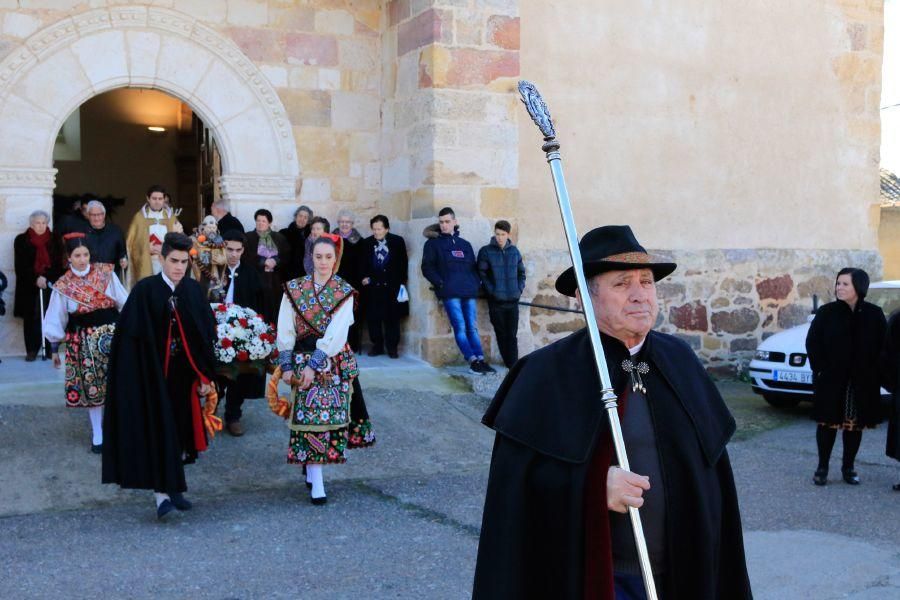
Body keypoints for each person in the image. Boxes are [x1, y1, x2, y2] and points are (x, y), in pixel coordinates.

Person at [473, 225, 751, 599]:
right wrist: (591, 486)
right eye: (622, 284)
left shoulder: (679, 361)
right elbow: (516, 494)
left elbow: (712, 477)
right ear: (583, 297)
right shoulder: (544, 374)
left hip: (686, 574)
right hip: (599, 581)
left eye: (647, 282)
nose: (640, 295)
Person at [102, 232, 218, 520]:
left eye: (184, 261)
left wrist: (205, 376)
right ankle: (161, 496)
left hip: (183, 375)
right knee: (158, 430)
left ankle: (174, 488)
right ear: (162, 258)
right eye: (173, 261)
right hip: (152, 376)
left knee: (179, 431)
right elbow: (130, 338)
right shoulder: (145, 291)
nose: (179, 267)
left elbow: (205, 334)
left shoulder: (191, 290)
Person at [275, 234, 375, 505]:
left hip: (330, 361)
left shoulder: (343, 290)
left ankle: (316, 476)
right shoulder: (294, 289)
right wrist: (286, 364)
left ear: (336, 258)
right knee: (306, 420)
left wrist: (313, 366)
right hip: (299, 358)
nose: (323, 262)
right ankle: (313, 473)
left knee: (323, 419)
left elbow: (337, 332)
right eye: (318, 256)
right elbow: (285, 326)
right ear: (310, 257)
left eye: (328, 257)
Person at [43, 234, 128, 453]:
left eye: (85, 254)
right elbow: (56, 316)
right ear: (68, 258)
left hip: (112, 335)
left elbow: (123, 301)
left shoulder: (106, 274)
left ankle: (117, 429)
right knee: (93, 389)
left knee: (117, 384)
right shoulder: (63, 285)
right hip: (83, 340)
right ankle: (98, 434)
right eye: (77, 255)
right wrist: (54, 349)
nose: (82, 259)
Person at [806, 268, 886, 486]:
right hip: (831, 379)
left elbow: (883, 347)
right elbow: (813, 342)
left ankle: (848, 467)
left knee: (854, 425)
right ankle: (822, 468)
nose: (839, 288)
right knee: (827, 424)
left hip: (861, 381)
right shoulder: (826, 312)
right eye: (838, 283)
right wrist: (821, 369)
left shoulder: (874, 314)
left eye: (845, 284)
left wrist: (876, 372)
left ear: (858, 287)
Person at [421, 207, 495, 374]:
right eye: (441, 222)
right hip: (450, 292)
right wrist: (441, 283)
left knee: (472, 327)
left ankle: (481, 359)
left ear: (455, 222)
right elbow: (427, 267)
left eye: (447, 221)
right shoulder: (432, 244)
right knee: (460, 326)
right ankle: (472, 360)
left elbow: (473, 268)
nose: (444, 225)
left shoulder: (465, 244)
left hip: (468, 292)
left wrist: (476, 283)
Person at [213, 229, 267, 437]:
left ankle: (233, 416)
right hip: (215, 330)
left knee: (239, 375)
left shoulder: (251, 274)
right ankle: (209, 411)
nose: (233, 254)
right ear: (222, 247)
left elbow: (258, 304)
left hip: (240, 334)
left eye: (237, 250)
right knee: (215, 374)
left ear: (243, 250)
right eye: (229, 249)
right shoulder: (213, 270)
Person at [477, 220, 526, 369]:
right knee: (501, 334)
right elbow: (482, 273)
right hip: (496, 302)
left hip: (512, 301)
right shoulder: (486, 251)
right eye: (497, 234)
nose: (499, 237)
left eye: (503, 234)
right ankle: (510, 364)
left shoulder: (514, 252)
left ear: (508, 234)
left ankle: (514, 365)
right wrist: (492, 292)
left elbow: (521, 273)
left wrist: (518, 290)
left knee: (512, 335)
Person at [358, 215, 408, 358]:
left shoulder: (397, 242)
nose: (376, 232)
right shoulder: (367, 243)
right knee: (374, 318)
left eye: (379, 229)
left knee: (392, 318)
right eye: (374, 229)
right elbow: (362, 264)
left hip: (391, 286)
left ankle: (392, 348)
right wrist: (363, 278)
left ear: (386, 229)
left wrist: (401, 282)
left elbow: (402, 264)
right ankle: (377, 346)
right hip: (373, 287)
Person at [14, 210, 60, 361]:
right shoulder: (21, 240)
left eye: (43, 223)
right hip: (28, 285)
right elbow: (20, 265)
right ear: (31, 224)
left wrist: (45, 278)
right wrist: (36, 278)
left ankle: (49, 349)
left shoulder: (55, 240)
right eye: (37, 223)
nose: (40, 226)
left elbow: (58, 264)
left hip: (49, 283)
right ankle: (32, 350)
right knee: (30, 317)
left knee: (50, 315)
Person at [124, 184, 181, 287]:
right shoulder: (139, 218)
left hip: (166, 261)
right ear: (148, 198)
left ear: (164, 199)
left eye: (160, 198)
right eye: (154, 198)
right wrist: (146, 248)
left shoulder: (171, 218)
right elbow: (131, 244)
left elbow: (180, 242)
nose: (157, 201)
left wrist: (165, 248)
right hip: (148, 261)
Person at [244, 208, 290, 324]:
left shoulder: (279, 238)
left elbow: (286, 255)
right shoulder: (248, 237)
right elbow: (246, 256)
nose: (260, 223)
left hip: (275, 282)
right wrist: (263, 261)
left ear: (269, 222)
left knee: (274, 309)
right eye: (258, 220)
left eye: (263, 221)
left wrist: (275, 261)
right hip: (256, 280)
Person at [334, 209, 365, 352]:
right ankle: (335, 344)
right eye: (342, 222)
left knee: (351, 314)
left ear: (352, 224)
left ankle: (351, 344)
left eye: (347, 222)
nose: (344, 224)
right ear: (338, 223)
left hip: (353, 283)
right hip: (334, 282)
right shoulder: (331, 238)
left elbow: (362, 264)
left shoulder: (360, 241)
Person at [82, 200, 128, 279]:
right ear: (88, 215)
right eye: (93, 215)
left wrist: (124, 260)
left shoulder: (116, 231)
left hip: (111, 277)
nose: (96, 218)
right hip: (88, 277)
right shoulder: (82, 232)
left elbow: (122, 252)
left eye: (99, 214)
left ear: (104, 215)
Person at [280, 205, 313, 279]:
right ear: (295, 217)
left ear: (308, 221)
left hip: (306, 275)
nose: (302, 219)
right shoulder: (284, 233)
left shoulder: (311, 235)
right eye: (300, 216)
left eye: (305, 217)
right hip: (287, 275)